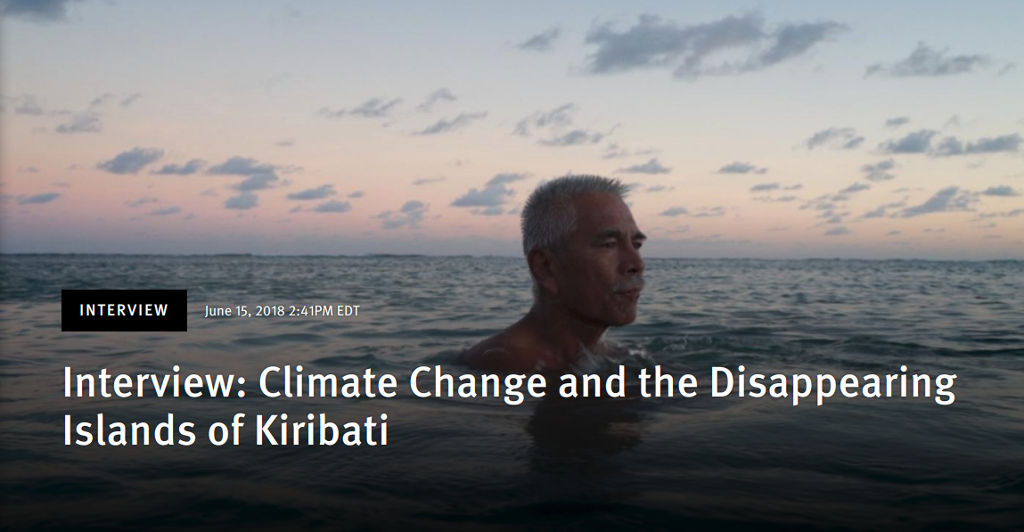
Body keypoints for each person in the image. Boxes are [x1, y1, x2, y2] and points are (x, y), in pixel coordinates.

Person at [463, 175, 646, 373]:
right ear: (545, 267)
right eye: (609, 245)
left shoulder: (615, 356)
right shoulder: (505, 366)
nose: (636, 264)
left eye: (636, 245)